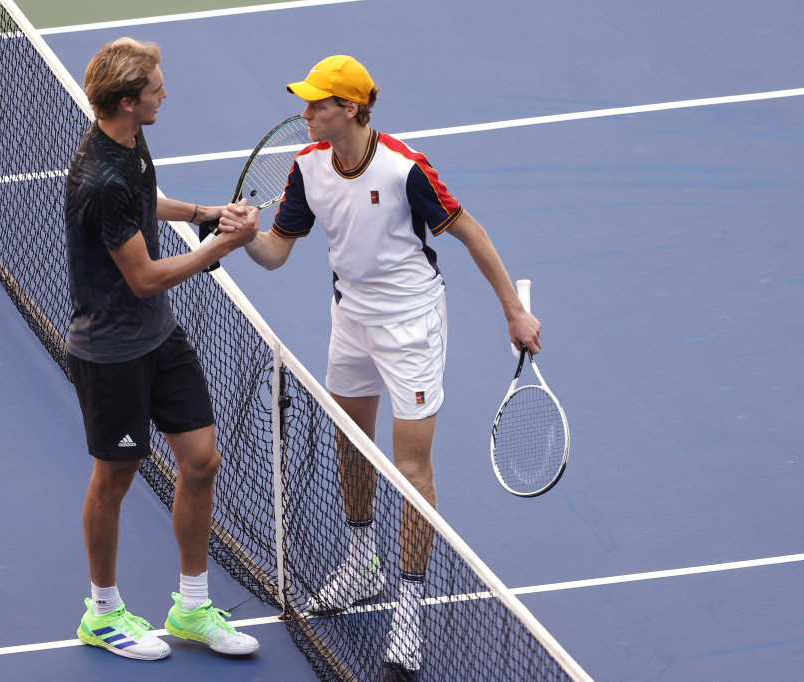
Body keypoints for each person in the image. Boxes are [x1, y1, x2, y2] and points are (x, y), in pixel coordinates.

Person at [242, 55, 541, 676]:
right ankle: (362, 562)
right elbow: (275, 253)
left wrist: (513, 312)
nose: (305, 113)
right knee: (351, 441)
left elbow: (471, 232)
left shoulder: (405, 168)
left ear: (350, 108)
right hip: (350, 318)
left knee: (410, 468)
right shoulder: (307, 167)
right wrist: (242, 234)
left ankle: (409, 604)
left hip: (411, 327)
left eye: (317, 103)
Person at [64, 38, 260, 662]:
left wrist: (204, 212)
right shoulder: (100, 179)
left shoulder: (129, 139)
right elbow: (145, 277)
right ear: (128, 101)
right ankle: (101, 613)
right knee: (115, 479)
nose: (165, 94)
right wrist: (221, 246)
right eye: (155, 88)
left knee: (201, 461)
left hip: (158, 336)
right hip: (111, 354)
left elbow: (144, 200)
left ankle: (191, 607)